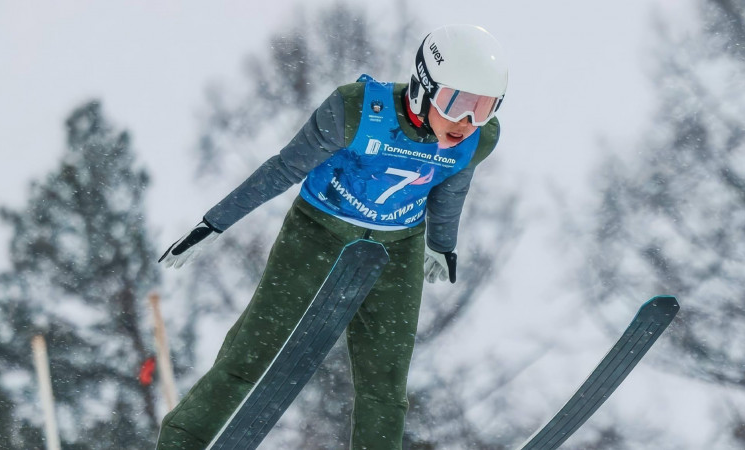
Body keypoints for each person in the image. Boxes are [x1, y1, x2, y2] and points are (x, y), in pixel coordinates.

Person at [155, 23, 508, 450]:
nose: (468, 122)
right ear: (424, 86)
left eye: (484, 108)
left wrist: (442, 243)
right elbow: (284, 168)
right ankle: (182, 441)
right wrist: (215, 221)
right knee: (253, 352)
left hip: (396, 248)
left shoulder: (477, 140)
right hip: (318, 232)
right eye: (457, 103)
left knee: (387, 383)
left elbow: (452, 186)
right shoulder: (355, 111)